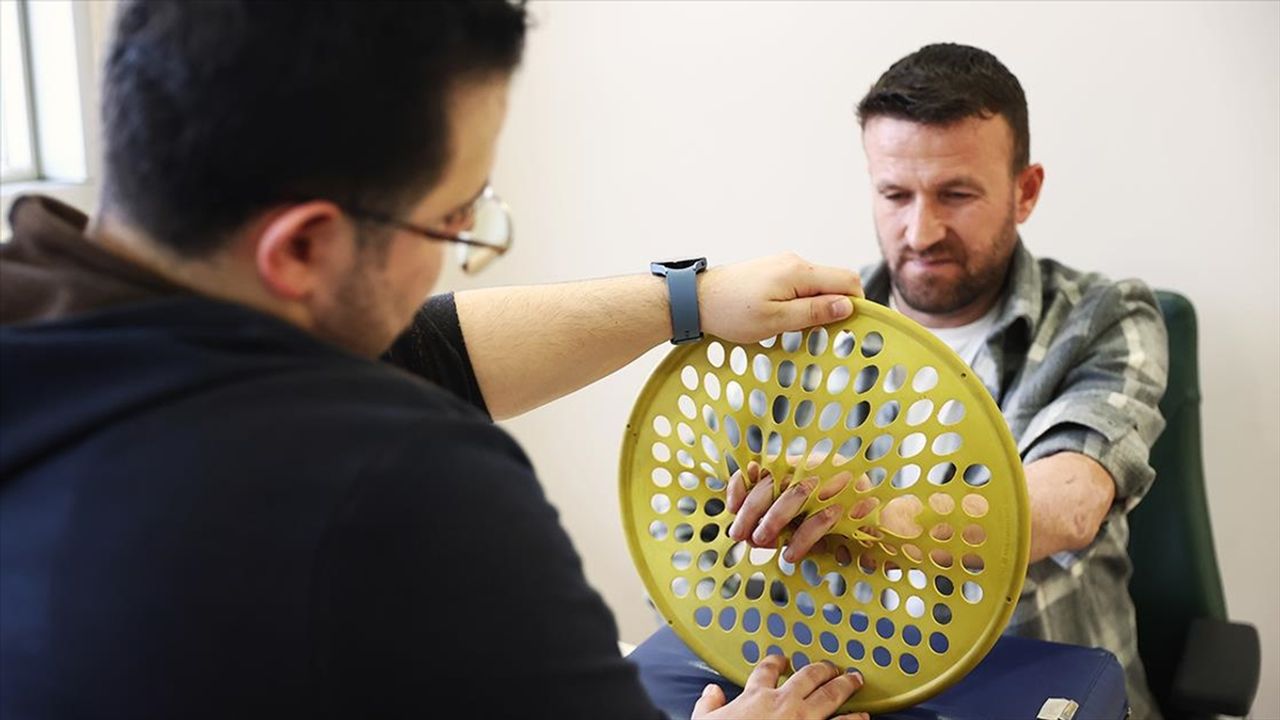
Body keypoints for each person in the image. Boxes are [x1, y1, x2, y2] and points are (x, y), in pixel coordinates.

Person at [0, 2, 872, 718]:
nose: (458, 247)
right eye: (453, 219)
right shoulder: (406, 490)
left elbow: (417, 350)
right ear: (300, 248)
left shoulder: (45, 339)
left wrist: (687, 299)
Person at [724, 43, 1168, 718]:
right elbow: (709, 525)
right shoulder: (802, 331)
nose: (921, 230)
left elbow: (1071, 502)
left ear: (1025, 191)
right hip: (848, 692)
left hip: (1046, 692)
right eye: (894, 195)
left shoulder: (1104, 317)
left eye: (956, 195)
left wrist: (871, 519)